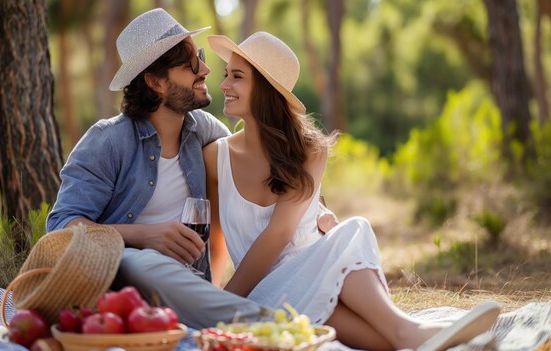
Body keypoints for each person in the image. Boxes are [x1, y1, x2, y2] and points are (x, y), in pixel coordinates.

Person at [203, 31, 501, 350]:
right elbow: (216, 237)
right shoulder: (215, 157)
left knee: (376, 322)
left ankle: (418, 334)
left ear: (264, 88)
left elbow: (280, 233)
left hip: (319, 277)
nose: (223, 85)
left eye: (237, 77)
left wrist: (223, 304)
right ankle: (417, 331)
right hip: (270, 296)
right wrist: (216, 304)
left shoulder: (310, 149)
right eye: (226, 75)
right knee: (352, 243)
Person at [45, 8, 337, 328]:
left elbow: (266, 170)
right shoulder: (107, 142)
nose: (206, 69)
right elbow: (61, 227)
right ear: (156, 81)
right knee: (142, 262)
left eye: (198, 55)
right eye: (190, 64)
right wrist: (145, 236)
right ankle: (281, 325)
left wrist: (315, 207)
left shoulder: (205, 132)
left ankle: (251, 317)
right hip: (126, 285)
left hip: (192, 287)